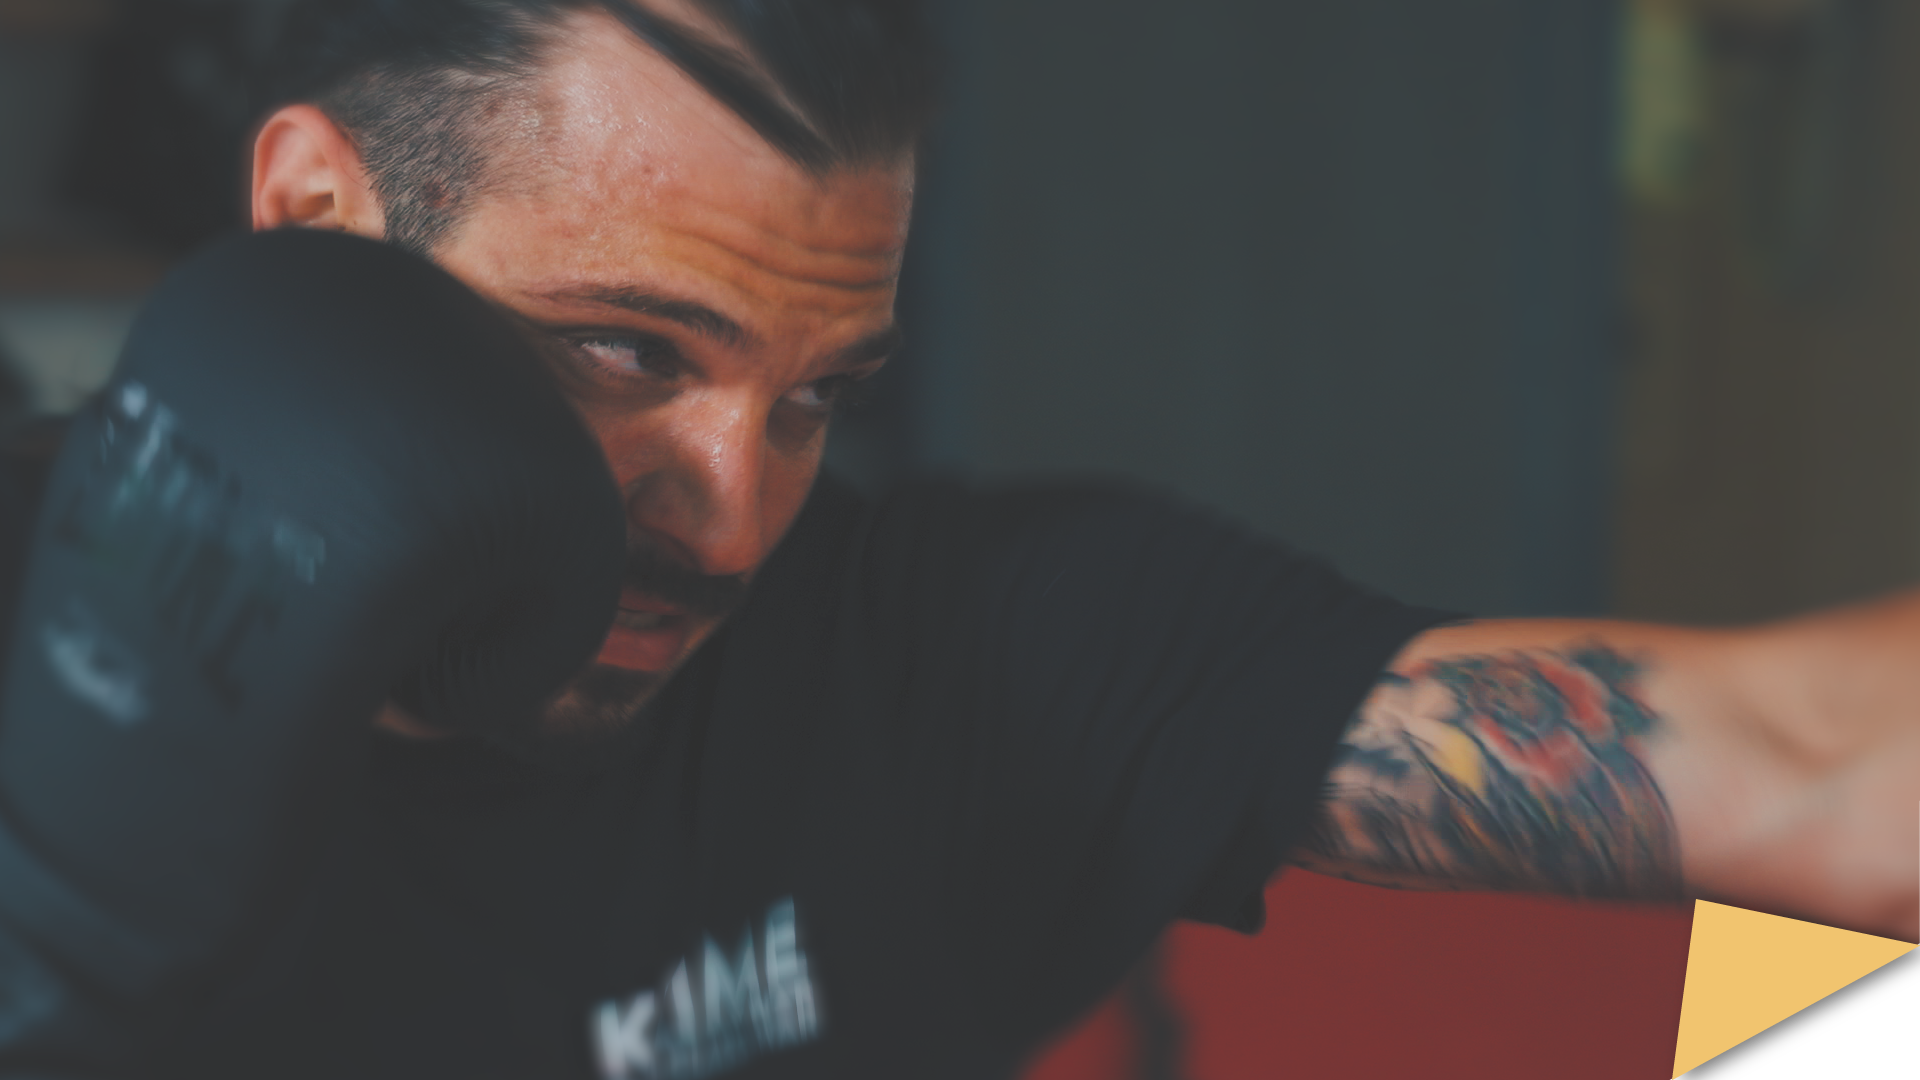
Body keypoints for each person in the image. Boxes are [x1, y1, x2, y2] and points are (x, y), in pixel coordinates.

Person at [2, 0, 1918, 1077]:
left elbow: (1824, 768)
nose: (735, 511)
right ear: (318, 218)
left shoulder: (961, 660)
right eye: (618, 350)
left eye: (816, 391)